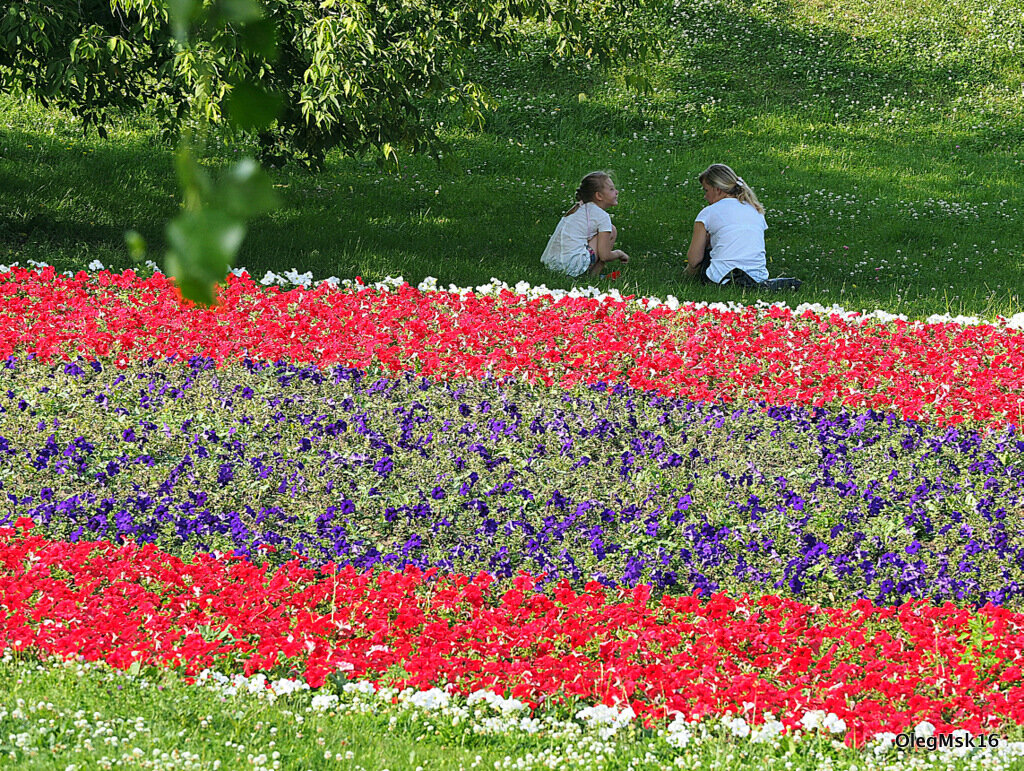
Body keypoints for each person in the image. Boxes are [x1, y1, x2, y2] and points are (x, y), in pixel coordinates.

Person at [685, 164, 769, 286]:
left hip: (721, 278)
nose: (705, 196)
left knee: (706, 246)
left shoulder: (708, 213)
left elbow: (694, 260)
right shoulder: (756, 210)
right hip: (758, 278)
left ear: (717, 189)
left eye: (706, 190)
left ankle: (685, 279)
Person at [541, 171, 630, 278]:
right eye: (611, 189)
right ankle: (594, 276)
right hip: (571, 266)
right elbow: (604, 256)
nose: (616, 192)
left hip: (552, 264)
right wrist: (619, 253)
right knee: (612, 230)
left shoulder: (578, 208)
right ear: (599, 196)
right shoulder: (602, 216)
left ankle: (585, 273)